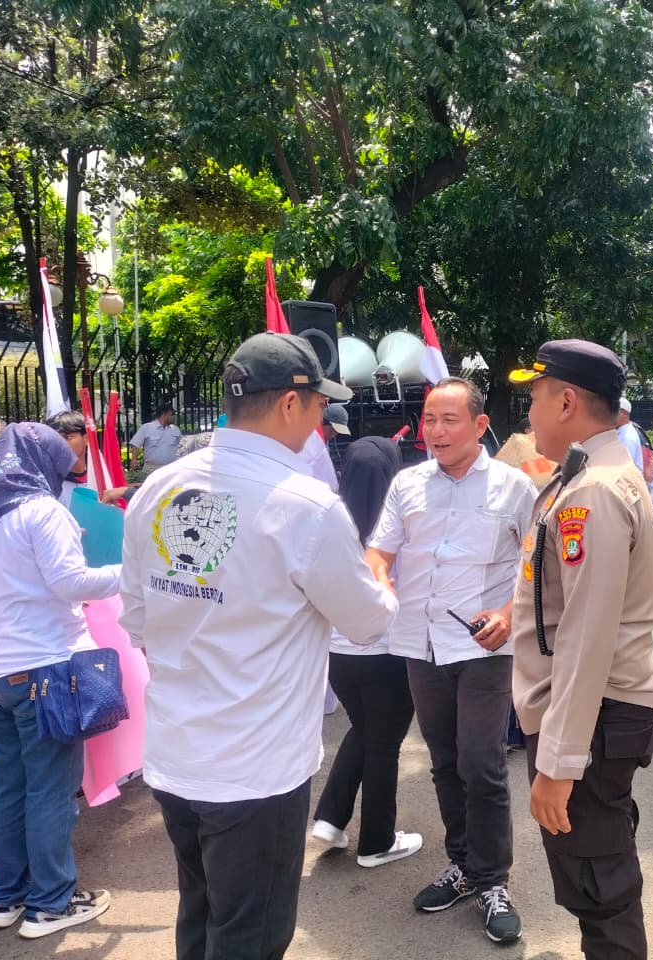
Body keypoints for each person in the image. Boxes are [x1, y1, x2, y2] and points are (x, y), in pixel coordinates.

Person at [119, 334, 396, 960]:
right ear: (292, 403)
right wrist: (379, 579)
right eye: (320, 403)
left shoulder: (157, 490)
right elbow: (368, 622)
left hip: (176, 753)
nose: (323, 418)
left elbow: (135, 615)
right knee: (251, 934)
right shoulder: (305, 505)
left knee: (202, 913)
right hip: (254, 767)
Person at [507, 340, 653, 960]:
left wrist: (559, 762)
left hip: (590, 715)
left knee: (601, 880)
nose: (531, 416)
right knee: (593, 866)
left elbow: (585, 634)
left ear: (567, 400)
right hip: (587, 712)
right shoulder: (582, 477)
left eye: (536, 399)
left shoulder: (594, 491)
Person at [365, 376, 535, 945]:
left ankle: (492, 880)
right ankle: (462, 865)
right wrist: (378, 575)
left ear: (481, 425)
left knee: (481, 762)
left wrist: (510, 613)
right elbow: (380, 548)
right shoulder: (407, 483)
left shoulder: (515, 487)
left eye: (448, 420)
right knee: (443, 760)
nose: (433, 431)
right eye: (428, 420)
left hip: (485, 646)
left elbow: (539, 565)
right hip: (421, 642)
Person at [0, 422, 120, 940]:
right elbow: (70, 582)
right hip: (41, 665)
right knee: (50, 789)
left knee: (6, 785)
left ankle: (6, 897)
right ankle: (50, 904)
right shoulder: (42, 512)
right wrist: (131, 570)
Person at [312, 436, 422, 868]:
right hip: (388, 653)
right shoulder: (401, 525)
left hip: (340, 654)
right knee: (384, 745)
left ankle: (331, 816)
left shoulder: (328, 523)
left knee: (366, 730)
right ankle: (377, 841)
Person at [45, 411, 90, 509]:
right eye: (56, 439)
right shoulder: (48, 485)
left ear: (86, 438)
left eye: (67, 437)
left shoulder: (99, 478)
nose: (61, 444)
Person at [128, 402, 182, 474]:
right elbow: (136, 443)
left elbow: (183, 446)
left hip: (170, 469)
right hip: (151, 469)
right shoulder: (147, 428)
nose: (173, 417)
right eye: (171, 415)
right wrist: (134, 459)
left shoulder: (175, 429)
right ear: (163, 414)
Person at [616, 397, 644, 473]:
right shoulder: (621, 433)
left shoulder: (628, 437)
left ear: (625, 413)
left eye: (615, 410)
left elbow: (624, 468)